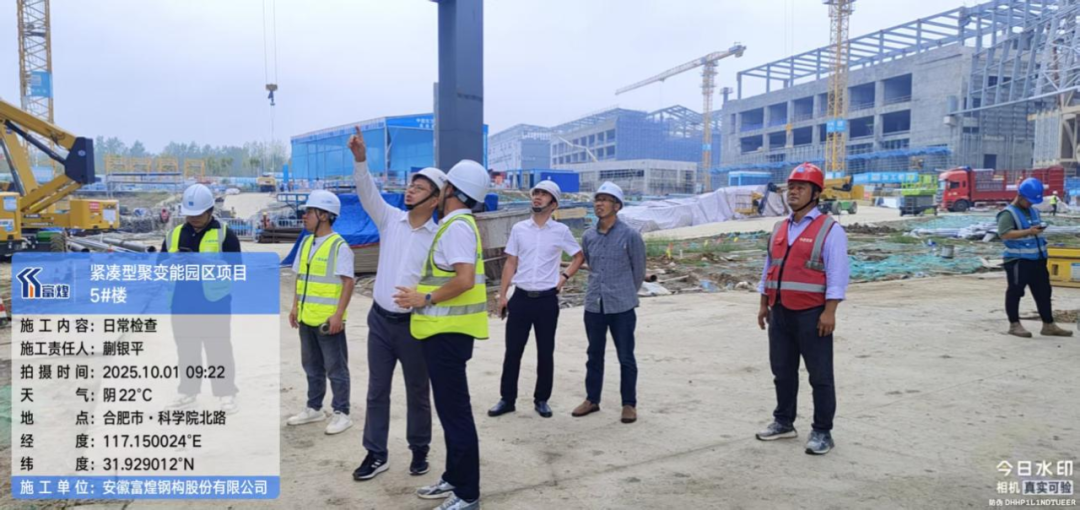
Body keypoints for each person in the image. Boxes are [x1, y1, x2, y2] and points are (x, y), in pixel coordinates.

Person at [347, 127, 443, 481]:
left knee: (418, 391)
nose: (410, 189)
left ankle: (420, 449)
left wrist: (425, 298)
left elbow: (450, 281)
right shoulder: (390, 220)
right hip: (380, 322)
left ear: (434, 200)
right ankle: (376, 453)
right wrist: (361, 160)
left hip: (414, 325)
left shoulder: (438, 237)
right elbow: (367, 192)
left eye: (419, 187)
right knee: (377, 390)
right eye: (411, 184)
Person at [394, 159, 489, 510]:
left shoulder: (457, 227)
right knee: (449, 412)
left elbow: (464, 279)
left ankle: (468, 494)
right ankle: (454, 477)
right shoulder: (454, 225)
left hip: (448, 335)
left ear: (452, 191)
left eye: (445, 184)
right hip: (443, 334)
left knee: (456, 414)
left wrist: (425, 298)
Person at [754, 163, 849, 456]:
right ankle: (784, 422)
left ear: (815, 194)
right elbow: (769, 267)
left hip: (812, 313)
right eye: (791, 187)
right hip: (779, 311)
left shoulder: (830, 230)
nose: (793, 192)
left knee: (820, 375)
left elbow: (837, 273)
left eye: (801, 187)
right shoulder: (779, 228)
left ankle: (822, 431)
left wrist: (830, 312)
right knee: (782, 371)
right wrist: (763, 303)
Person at [488, 180, 585, 419]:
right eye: (536, 193)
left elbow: (578, 256)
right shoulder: (519, 229)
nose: (537, 197)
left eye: (543, 194)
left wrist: (563, 278)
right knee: (513, 351)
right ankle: (507, 399)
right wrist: (503, 295)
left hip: (546, 300)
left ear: (553, 204)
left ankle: (541, 399)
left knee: (545, 351)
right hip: (521, 297)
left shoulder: (560, 232)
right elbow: (510, 263)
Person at [161, 183, 241, 414]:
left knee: (218, 349)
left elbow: (237, 269)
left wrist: (205, 262)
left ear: (209, 211)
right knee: (187, 350)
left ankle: (226, 393)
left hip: (214, 303)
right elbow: (159, 268)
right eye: (189, 214)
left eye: (198, 214)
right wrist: (170, 262)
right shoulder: (175, 234)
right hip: (181, 302)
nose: (193, 218)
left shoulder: (225, 234)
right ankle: (188, 391)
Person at [572, 181, 646, 425]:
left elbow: (638, 271)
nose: (599, 204)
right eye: (597, 199)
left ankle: (629, 404)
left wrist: (625, 293)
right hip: (595, 304)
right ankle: (592, 399)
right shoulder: (589, 236)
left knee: (626, 356)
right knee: (594, 354)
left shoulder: (630, 236)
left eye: (605, 200)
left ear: (617, 206)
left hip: (622, 306)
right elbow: (591, 264)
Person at [286, 190, 357, 435]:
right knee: (312, 366)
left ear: (324, 215)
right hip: (306, 318)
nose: (304, 216)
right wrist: (295, 307)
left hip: (328, 321)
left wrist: (339, 315)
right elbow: (300, 278)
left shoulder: (339, 246)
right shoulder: (306, 242)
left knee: (336, 369)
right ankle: (314, 408)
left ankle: (342, 412)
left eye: (309, 212)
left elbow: (348, 282)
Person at [998, 178, 1073, 338]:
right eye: (1029, 200)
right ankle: (1014, 325)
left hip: (1037, 259)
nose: (1031, 203)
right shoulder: (1008, 213)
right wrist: (1029, 231)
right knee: (1015, 292)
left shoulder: (1033, 211)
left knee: (1043, 292)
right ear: (1020, 196)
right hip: (1018, 260)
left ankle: (1048, 325)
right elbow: (1004, 234)